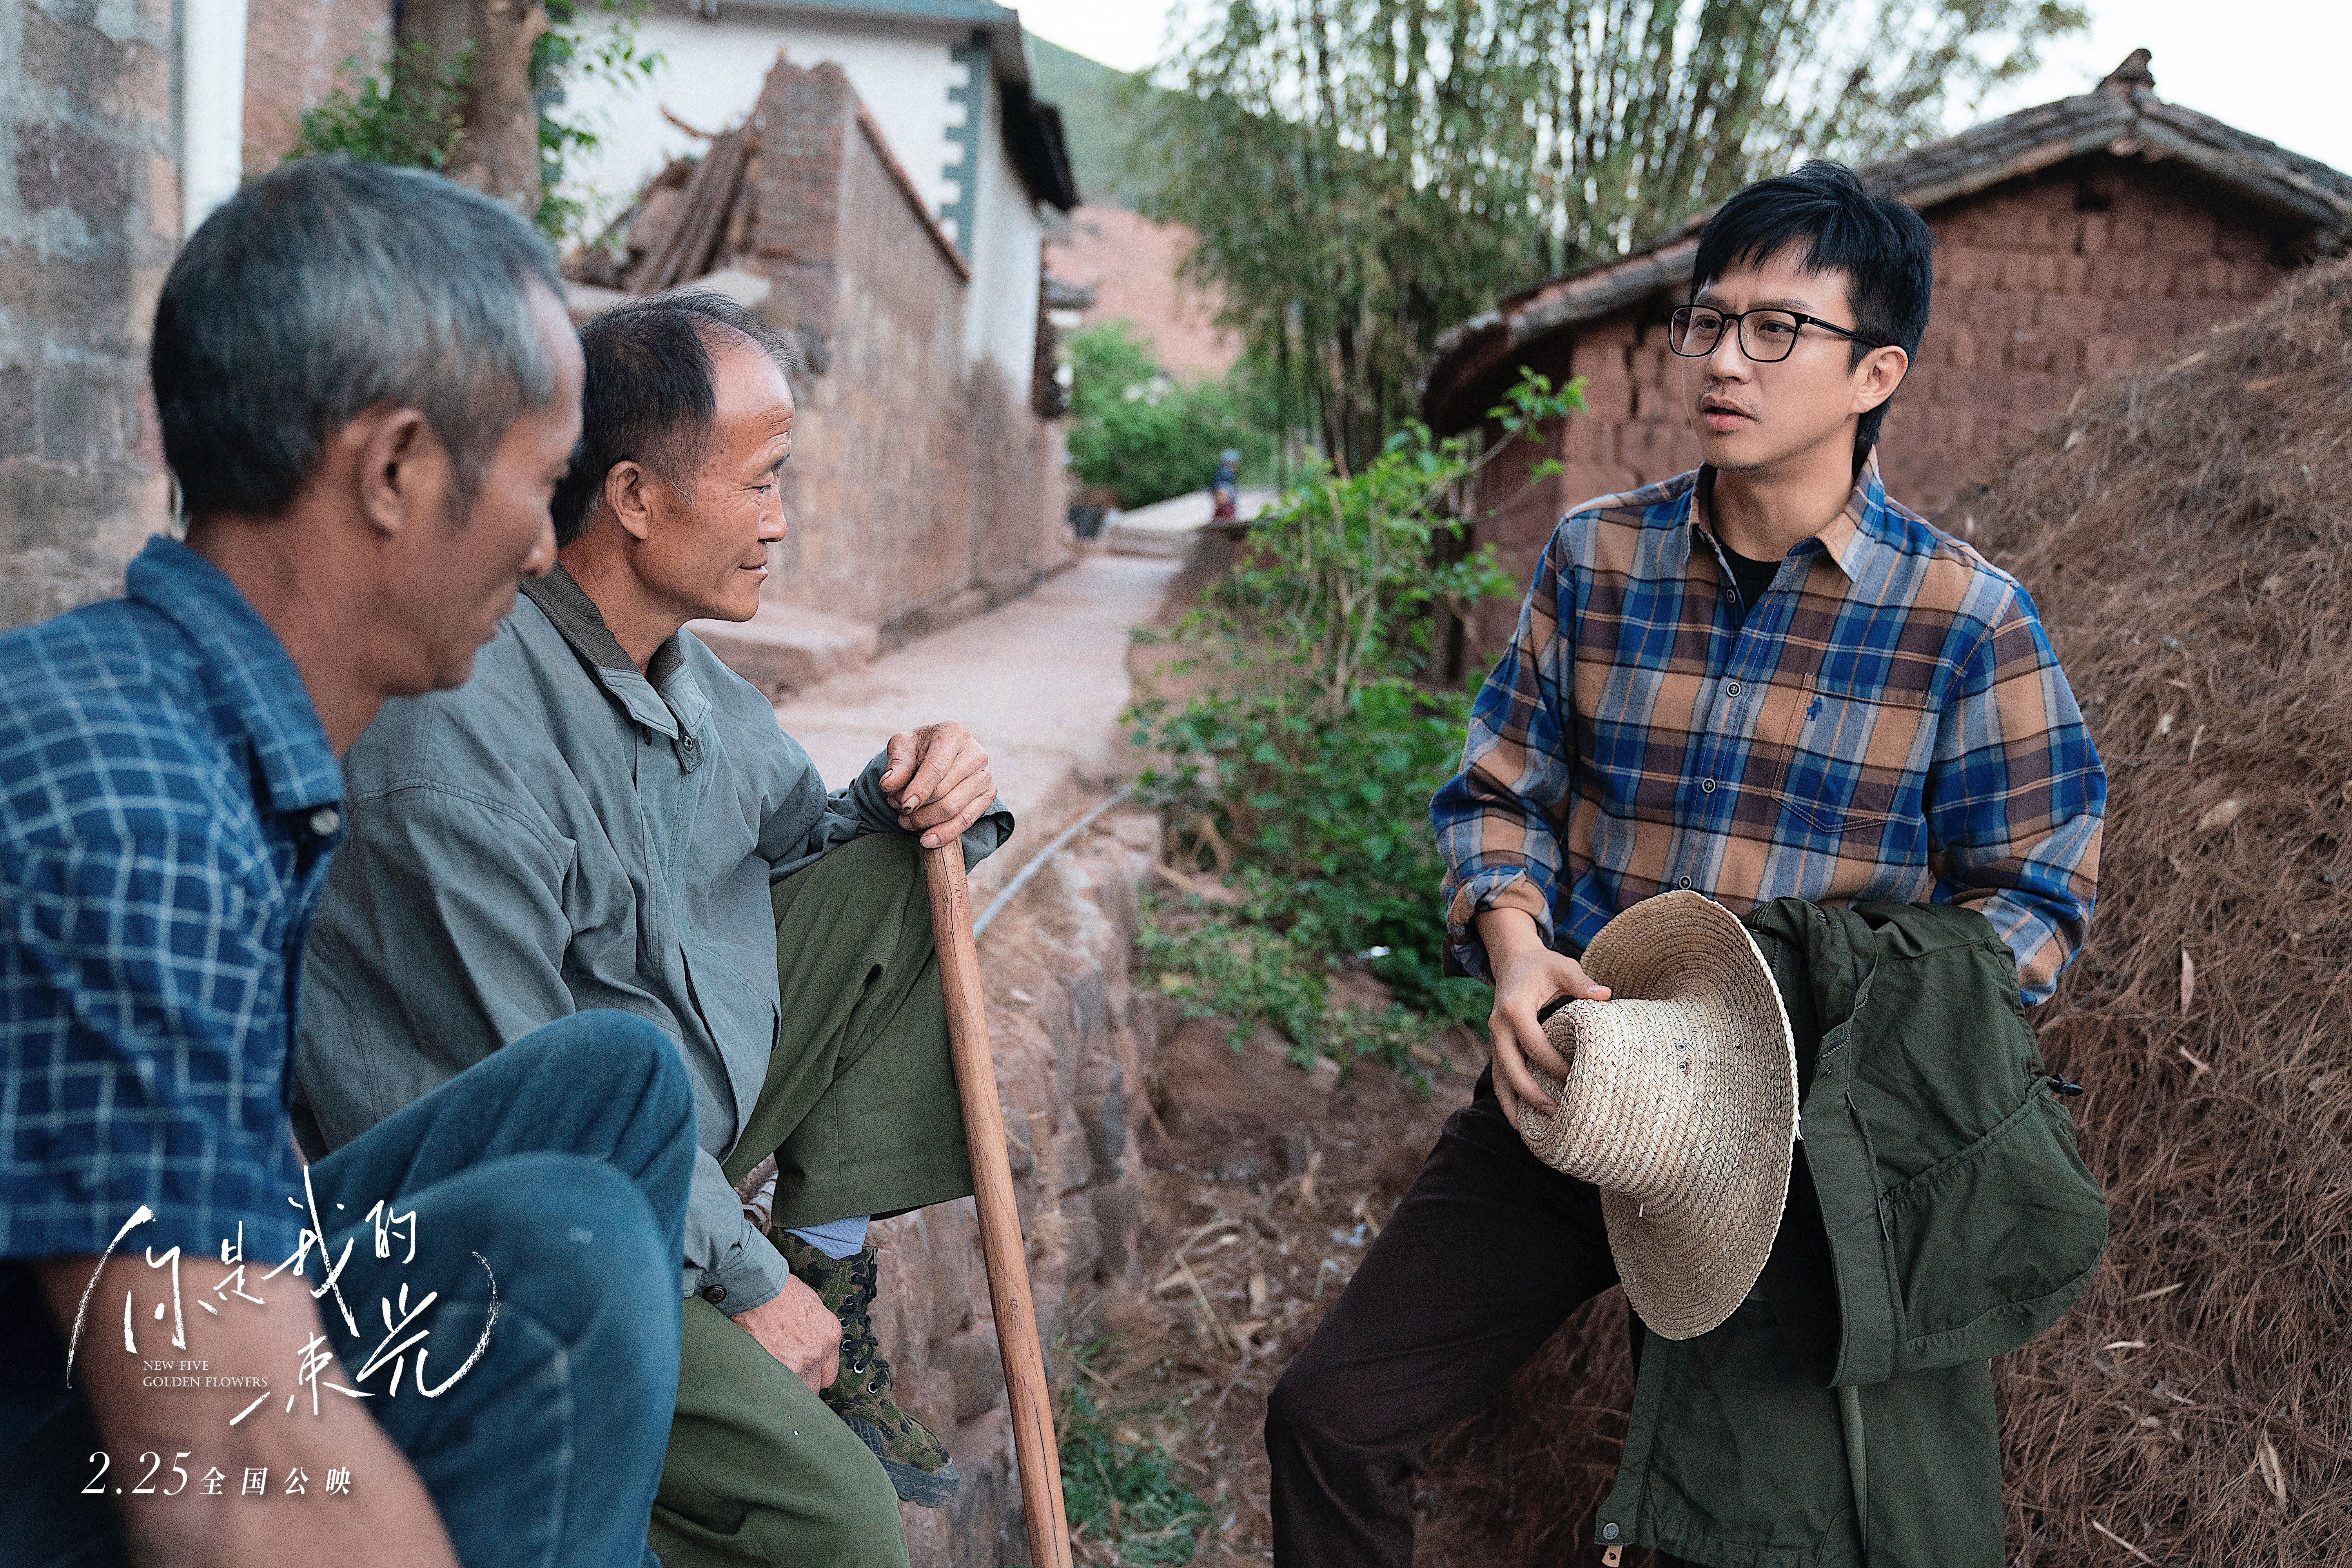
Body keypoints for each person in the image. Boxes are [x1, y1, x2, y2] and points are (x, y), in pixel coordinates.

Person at [1263, 161, 2107, 1565]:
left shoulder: (1968, 622)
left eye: (1778, 331)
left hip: (1792, 1151)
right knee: (1332, 1415)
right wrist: (1518, 946)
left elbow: (2039, 890)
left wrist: (1857, 1048)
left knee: (1742, 1534)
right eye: (1707, 321)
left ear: (1874, 371)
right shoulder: (1598, 556)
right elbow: (1494, 792)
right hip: (1579, 1086)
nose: (1725, 359)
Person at [0, 158, 699, 1568]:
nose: (549, 540)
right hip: (68, 1442)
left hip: (129, 1332)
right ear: (393, 471)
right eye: (543, 480)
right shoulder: (139, 823)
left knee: (614, 1084)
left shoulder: (183, 714)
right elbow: (227, 1474)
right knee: (559, 1273)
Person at [294, 290, 1011, 1568]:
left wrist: (920, 780)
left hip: (658, 1129)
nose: (781, 521)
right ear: (633, 498)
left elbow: (808, 848)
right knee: (835, 1522)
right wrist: (743, 1286)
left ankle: (827, 1268)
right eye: (761, 483)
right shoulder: (460, 740)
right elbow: (545, 1101)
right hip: (517, 1205)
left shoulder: (693, 682)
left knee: (908, 860)